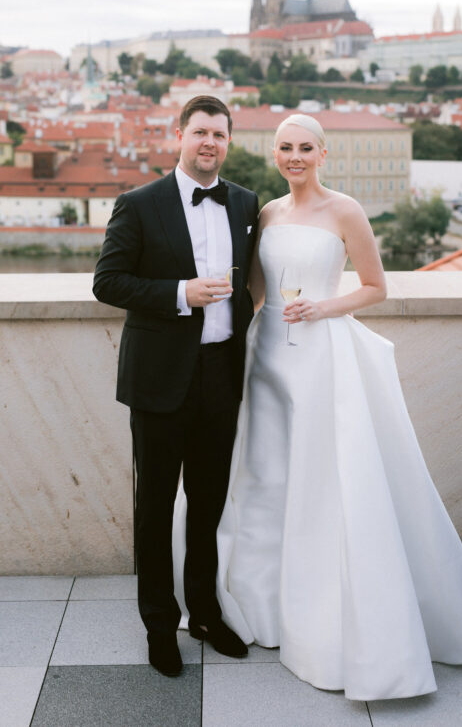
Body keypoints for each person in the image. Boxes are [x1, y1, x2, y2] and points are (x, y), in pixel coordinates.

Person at [173, 113, 462, 700]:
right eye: (285, 147)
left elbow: (376, 287)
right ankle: (260, 607)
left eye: (305, 147)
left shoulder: (346, 210)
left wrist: (322, 309)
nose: (295, 156)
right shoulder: (267, 213)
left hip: (321, 354)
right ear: (274, 154)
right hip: (266, 356)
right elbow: (256, 291)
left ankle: (320, 615)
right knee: (265, 477)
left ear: (324, 154)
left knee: (322, 482)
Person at [93, 95, 259, 677]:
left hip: (221, 375)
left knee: (208, 504)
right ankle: (160, 627)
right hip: (159, 379)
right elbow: (108, 282)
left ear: (228, 142)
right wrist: (179, 294)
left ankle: (205, 614)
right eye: (200, 132)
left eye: (219, 134)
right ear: (180, 136)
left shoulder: (245, 203)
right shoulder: (139, 203)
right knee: (156, 508)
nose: (209, 142)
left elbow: (254, 282)